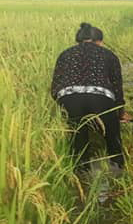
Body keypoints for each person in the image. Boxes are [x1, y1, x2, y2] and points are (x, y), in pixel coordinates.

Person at [51, 23, 127, 174]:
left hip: (69, 97)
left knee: (78, 139)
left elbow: (55, 87)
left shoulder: (65, 54)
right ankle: (117, 170)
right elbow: (117, 87)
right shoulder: (109, 55)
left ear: (79, 40)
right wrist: (120, 113)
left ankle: (82, 178)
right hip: (101, 97)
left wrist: (63, 106)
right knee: (112, 134)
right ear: (99, 41)